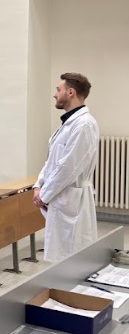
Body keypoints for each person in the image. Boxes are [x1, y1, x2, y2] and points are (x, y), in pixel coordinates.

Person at [33, 73, 99, 262]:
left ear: (70, 92)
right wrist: (38, 185)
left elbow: (68, 168)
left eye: (58, 89)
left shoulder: (84, 125)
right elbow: (51, 162)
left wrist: (44, 195)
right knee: (59, 255)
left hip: (71, 198)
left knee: (72, 257)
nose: (55, 94)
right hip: (60, 197)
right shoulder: (68, 124)